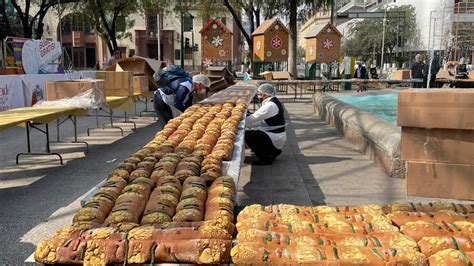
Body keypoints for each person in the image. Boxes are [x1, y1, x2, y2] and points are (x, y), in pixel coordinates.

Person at [245, 84, 286, 165]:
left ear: (264, 94)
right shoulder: (273, 102)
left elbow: (254, 117)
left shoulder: (270, 105)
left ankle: (265, 159)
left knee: (249, 135)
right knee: (253, 131)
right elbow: (260, 121)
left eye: (260, 94)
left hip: (275, 136)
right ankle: (273, 152)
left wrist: (240, 121)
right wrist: (248, 124)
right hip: (277, 134)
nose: (259, 96)